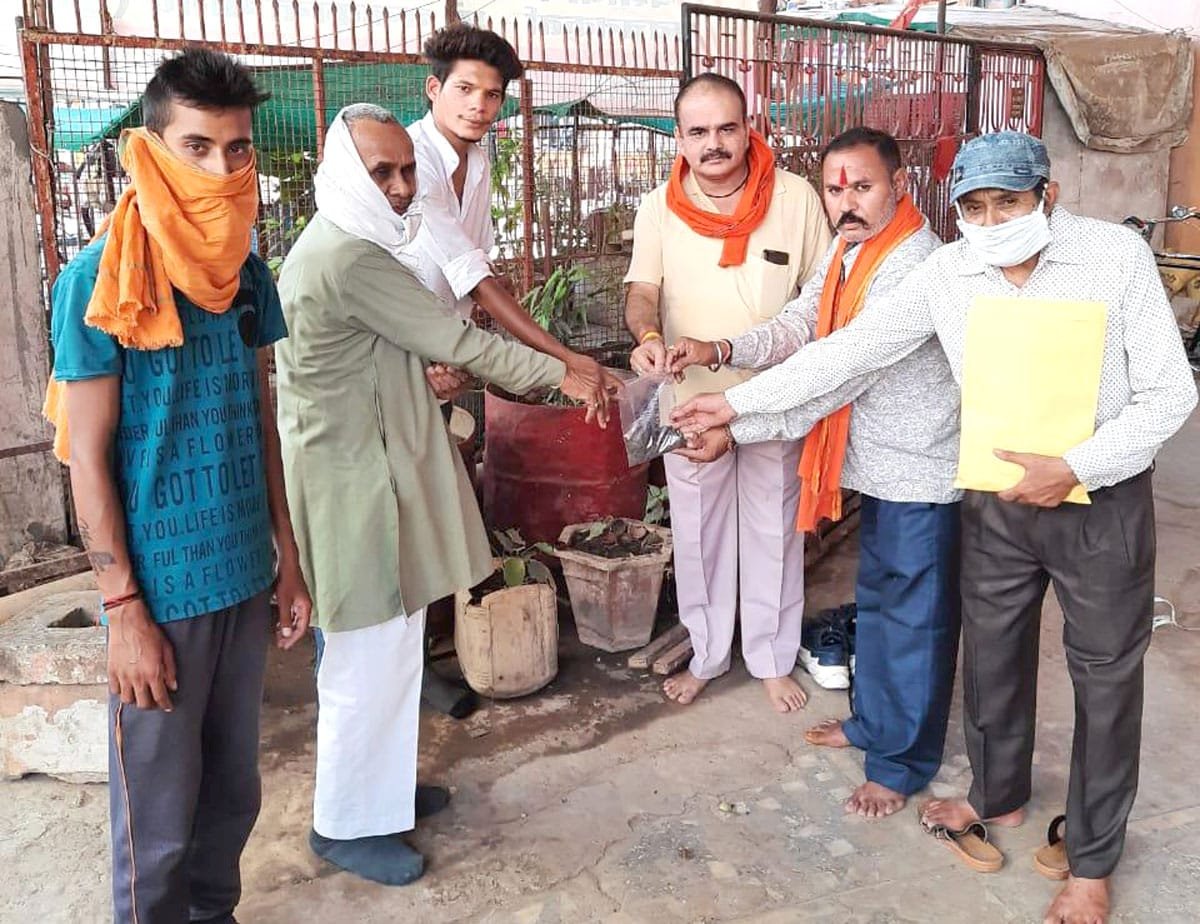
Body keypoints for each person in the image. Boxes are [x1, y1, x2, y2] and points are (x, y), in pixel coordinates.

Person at [672, 131, 1198, 924]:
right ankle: (999, 795)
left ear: (1048, 196)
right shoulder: (949, 272)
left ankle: (1091, 863)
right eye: (975, 208)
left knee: (1105, 680)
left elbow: (1169, 395)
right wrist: (735, 405)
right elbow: (851, 351)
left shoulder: (1113, 259)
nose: (991, 222)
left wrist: (1076, 465)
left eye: (1009, 204)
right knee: (991, 660)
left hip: (1100, 502)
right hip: (995, 499)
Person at [274, 104, 604, 887]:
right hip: (352, 484)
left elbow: (379, 356)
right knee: (363, 662)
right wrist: (562, 373)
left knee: (392, 654)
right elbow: (457, 338)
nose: (398, 187)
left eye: (404, 170)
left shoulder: (350, 244)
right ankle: (345, 826)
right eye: (380, 173)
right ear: (345, 175)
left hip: (370, 467)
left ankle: (381, 798)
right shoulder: (347, 255)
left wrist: (423, 378)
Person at [44, 49, 312, 922]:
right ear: (151, 149)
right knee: (156, 829)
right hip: (158, 593)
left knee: (231, 800)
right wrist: (123, 611)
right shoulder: (100, 280)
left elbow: (260, 420)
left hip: (240, 574)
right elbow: (87, 457)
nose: (220, 169)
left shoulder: (245, 277)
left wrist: (288, 557)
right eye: (196, 147)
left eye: (236, 149)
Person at [671, 127, 960, 819]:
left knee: (914, 623)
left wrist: (735, 415)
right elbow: (802, 323)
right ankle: (872, 726)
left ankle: (898, 766)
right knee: (881, 609)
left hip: (920, 471)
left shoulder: (916, 264)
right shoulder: (849, 248)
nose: (846, 201)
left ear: (899, 187)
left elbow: (840, 367)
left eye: (862, 186)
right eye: (834, 189)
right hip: (879, 468)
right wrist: (722, 350)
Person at [624, 73, 831, 712]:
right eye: (698, 131)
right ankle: (709, 655)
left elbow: (820, 298)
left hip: (773, 400)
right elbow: (643, 291)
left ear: (748, 129)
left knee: (773, 531)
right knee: (698, 534)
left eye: (726, 128)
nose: (713, 143)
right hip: (688, 398)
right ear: (679, 138)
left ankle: (770, 657)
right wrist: (647, 336)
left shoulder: (795, 198)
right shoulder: (659, 206)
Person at [402, 22, 615, 411]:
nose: (478, 106)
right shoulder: (412, 158)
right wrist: (566, 359)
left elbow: (475, 268)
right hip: (387, 346)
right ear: (434, 88)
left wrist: (454, 352)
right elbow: (473, 279)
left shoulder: (478, 162)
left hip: (438, 353)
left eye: (492, 94)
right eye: (465, 89)